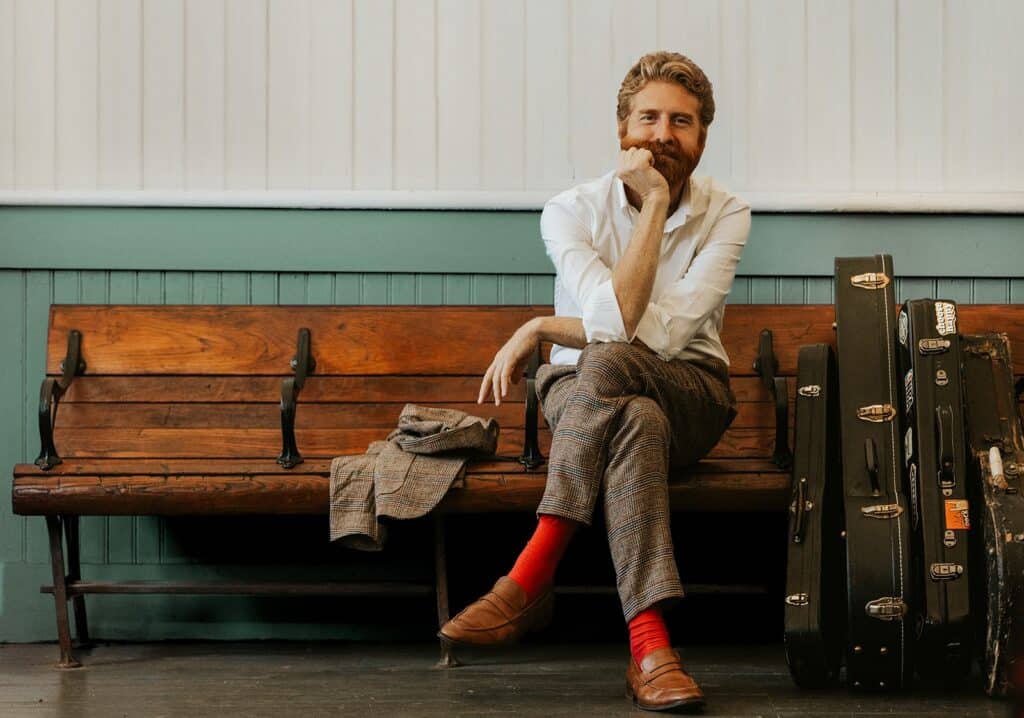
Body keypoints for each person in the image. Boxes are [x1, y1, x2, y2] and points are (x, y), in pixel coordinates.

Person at [438, 50, 750, 714]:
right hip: (581, 388)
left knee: (613, 365)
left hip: (693, 389)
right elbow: (611, 324)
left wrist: (546, 325)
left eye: (683, 122)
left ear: (702, 137)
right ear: (621, 130)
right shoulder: (570, 210)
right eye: (648, 118)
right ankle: (651, 649)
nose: (663, 135)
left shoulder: (728, 214)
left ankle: (530, 574)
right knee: (632, 414)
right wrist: (649, 215)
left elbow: (662, 336)